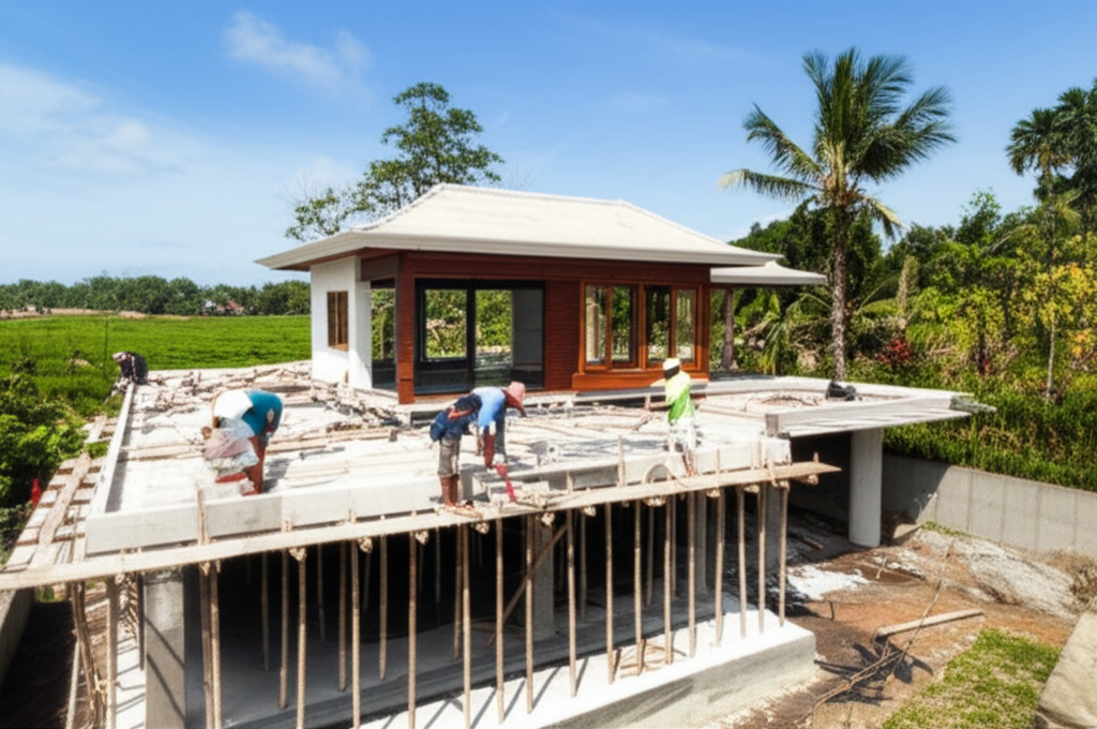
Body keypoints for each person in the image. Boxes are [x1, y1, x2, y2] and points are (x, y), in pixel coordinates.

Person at [202, 389, 283, 495]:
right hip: (243, 416)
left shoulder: (227, 402)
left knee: (244, 450)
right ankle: (254, 487)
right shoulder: (271, 403)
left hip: (236, 415)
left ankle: (250, 484)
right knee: (255, 455)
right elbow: (270, 427)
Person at [429, 392, 482, 507]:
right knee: (445, 471)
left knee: (454, 470)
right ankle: (448, 501)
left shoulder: (463, 415)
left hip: (456, 441)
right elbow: (436, 432)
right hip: (444, 443)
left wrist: (470, 432)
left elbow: (464, 427)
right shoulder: (447, 414)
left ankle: (454, 500)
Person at [653, 358, 697, 461]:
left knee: (676, 436)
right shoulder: (685, 377)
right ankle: (689, 460)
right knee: (688, 438)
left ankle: (677, 457)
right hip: (686, 413)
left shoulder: (671, 381)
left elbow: (670, 399)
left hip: (677, 414)